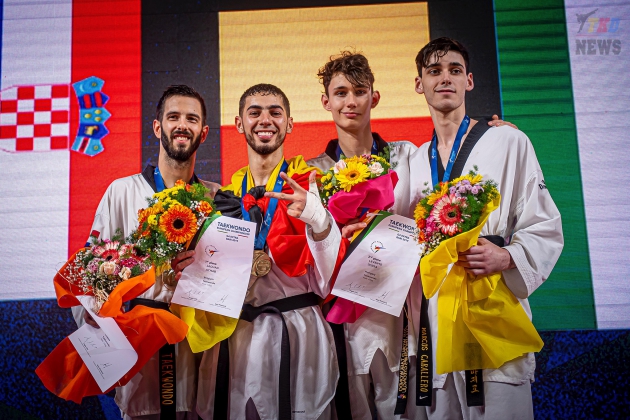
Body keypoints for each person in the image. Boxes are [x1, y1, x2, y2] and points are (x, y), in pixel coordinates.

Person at [309, 51, 516, 420]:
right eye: (340, 93)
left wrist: (491, 134)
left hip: (403, 316)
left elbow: (452, 164)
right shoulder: (313, 173)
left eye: (359, 91)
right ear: (326, 102)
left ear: (374, 98)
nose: (351, 102)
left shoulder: (407, 157)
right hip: (341, 319)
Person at [407, 37, 563, 419]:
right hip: (437, 319)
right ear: (419, 84)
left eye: (455, 70)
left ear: (470, 80)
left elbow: (545, 223)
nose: (445, 78)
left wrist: (507, 256)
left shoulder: (509, 140)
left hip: (491, 307)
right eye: (434, 71)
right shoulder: (413, 160)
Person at [179, 84, 342, 420]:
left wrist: (318, 218)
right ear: (239, 124)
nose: (265, 120)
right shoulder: (223, 200)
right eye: (254, 112)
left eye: (275, 112)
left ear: (290, 123)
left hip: (297, 332)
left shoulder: (313, 187)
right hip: (234, 337)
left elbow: (330, 279)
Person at [72, 85, 220, 419]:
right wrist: (105, 342)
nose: (182, 125)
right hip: (138, 352)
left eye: (192, 119)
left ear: (204, 132)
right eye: (173, 117)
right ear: (157, 127)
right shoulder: (122, 192)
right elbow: (89, 278)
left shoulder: (215, 199)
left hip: (197, 353)